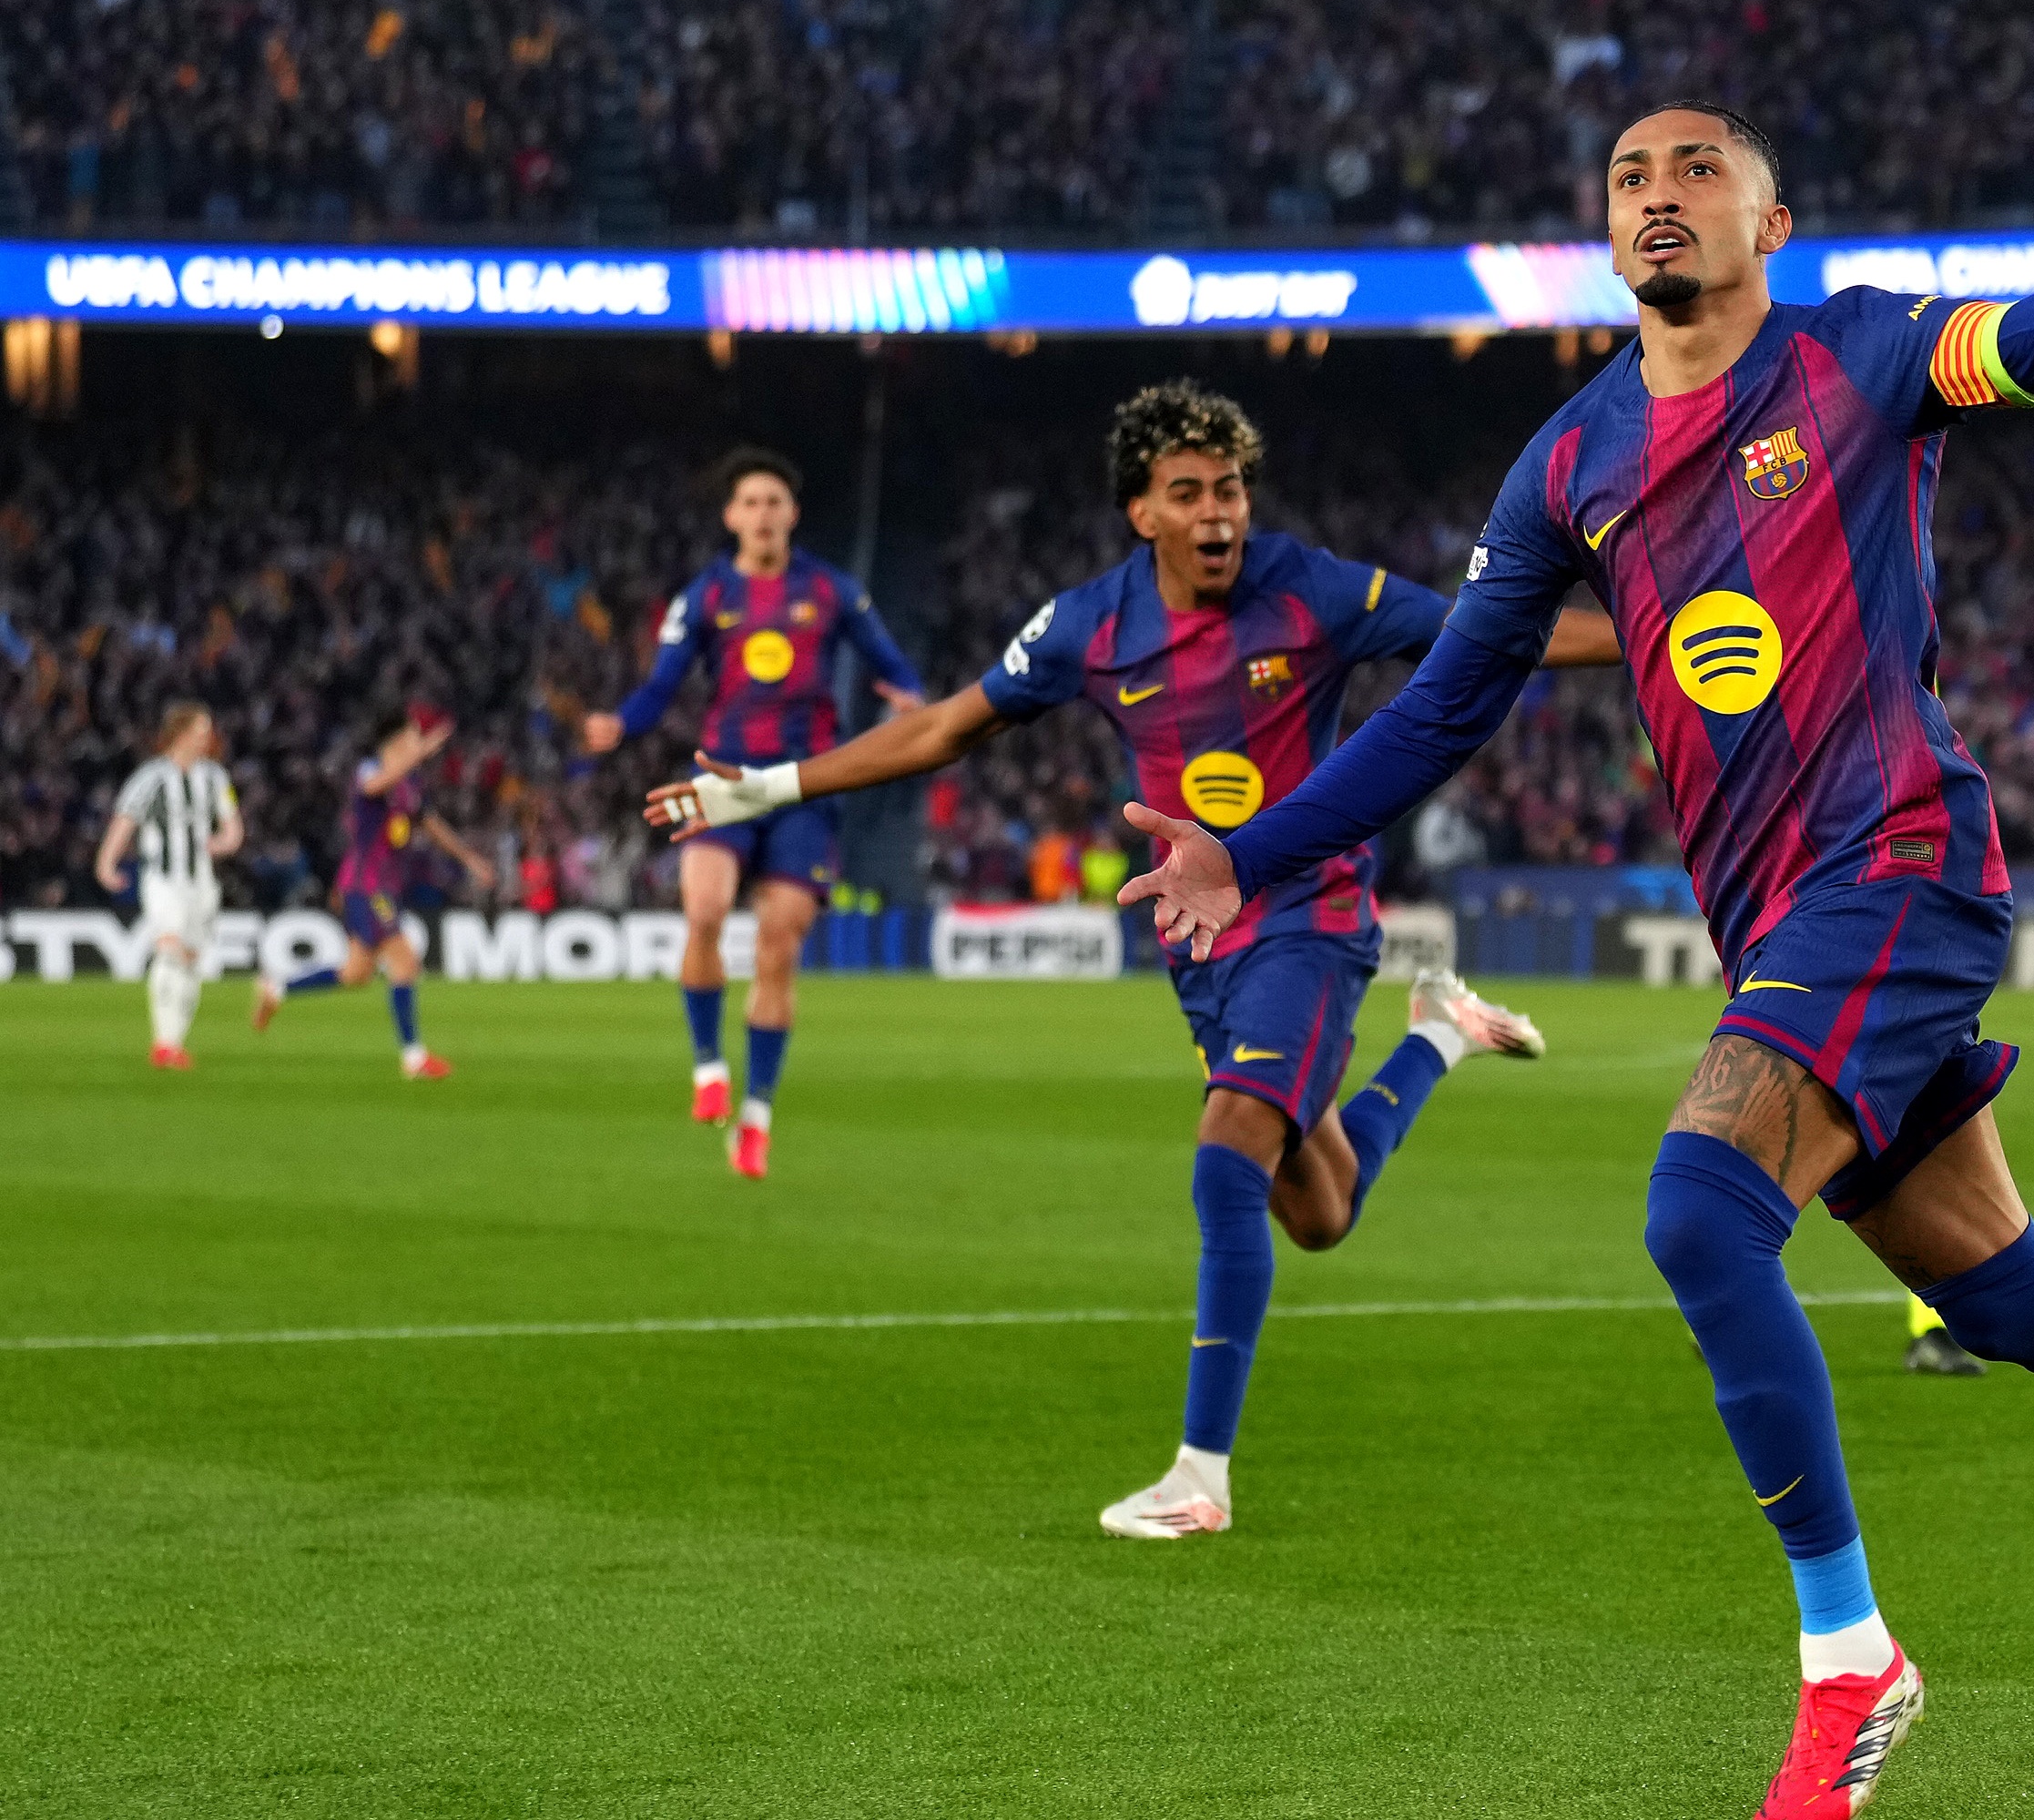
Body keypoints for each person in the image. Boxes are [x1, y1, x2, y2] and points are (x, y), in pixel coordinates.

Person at [1118, 25, 2034, 1815]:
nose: (1655, 196)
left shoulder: (1864, 352)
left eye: (1690, 171)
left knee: (1697, 1202)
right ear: (1607, 237)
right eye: (1626, 182)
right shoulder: (1569, 459)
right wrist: (1251, 849)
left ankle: (1846, 1653)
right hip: (1777, 920)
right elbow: (1438, 708)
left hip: (1893, 864)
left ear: (1767, 218)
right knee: (2013, 1295)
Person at [640, 380, 1624, 1537]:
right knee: (1316, 1212)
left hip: (1306, 914)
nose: (1218, 514)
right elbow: (943, 725)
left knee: (1225, 1152)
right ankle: (1437, 1035)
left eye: (1231, 489)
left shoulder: (1310, 587)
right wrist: (755, 786)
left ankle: (1199, 1476)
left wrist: (1647, 631)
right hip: (1197, 941)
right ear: (1139, 513)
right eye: (1188, 493)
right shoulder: (1089, 627)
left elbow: (1490, 632)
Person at [584, 448, 925, 1178]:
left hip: (804, 786)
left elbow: (889, 661)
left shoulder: (832, 590)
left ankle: (757, 1115)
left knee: (778, 945)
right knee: (702, 910)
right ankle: (709, 1066)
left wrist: (908, 697)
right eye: (752, 502)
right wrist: (622, 725)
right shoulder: (706, 595)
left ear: (792, 515)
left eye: (776, 501)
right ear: (731, 515)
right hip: (724, 780)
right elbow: (663, 681)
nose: (764, 513)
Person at [251, 707, 494, 1077]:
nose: (419, 743)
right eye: (413, 736)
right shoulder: (369, 770)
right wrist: (421, 752)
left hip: (379, 887)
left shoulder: (410, 785)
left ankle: (277, 988)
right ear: (397, 742)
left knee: (356, 973)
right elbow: (372, 787)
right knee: (405, 962)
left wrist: (468, 858)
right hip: (367, 886)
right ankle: (414, 1058)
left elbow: (430, 824)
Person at [95, 701, 243, 1069]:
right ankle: (163, 1043)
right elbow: (125, 820)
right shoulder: (151, 777)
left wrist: (225, 842)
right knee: (169, 948)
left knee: (192, 960)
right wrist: (106, 861)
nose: (207, 738)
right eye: (200, 730)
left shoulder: (215, 777)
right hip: (163, 879)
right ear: (180, 734)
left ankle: (174, 1041)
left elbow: (233, 826)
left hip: (202, 882)